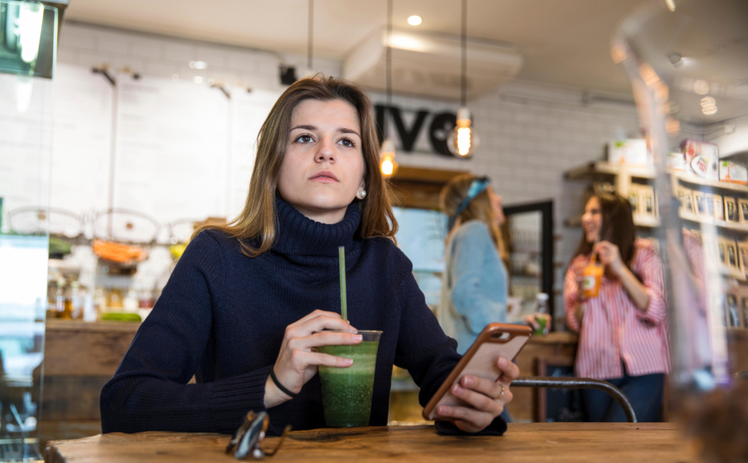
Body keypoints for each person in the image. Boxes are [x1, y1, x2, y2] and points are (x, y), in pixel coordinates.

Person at [100, 75, 519, 436]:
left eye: (345, 141)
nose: (326, 152)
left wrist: (475, 405)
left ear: (363, 177)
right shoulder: (216, 257)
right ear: (272, 164)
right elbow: (124, 403)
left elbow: (441, 373)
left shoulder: (384, 265)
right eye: (304, 137)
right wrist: (272, 383)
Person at [563, 191, 669, 422]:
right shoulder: (580, 265)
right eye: (585, 212)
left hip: (644, 370)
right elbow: (574, 321)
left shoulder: (643, 254)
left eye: (594, 212)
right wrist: (583, 293)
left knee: (624, 437)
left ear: (614, 217)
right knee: (603, 444)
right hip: (596, 370)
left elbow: (657, 309)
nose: (585, 218)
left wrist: (620, 268)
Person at [438, 174, 548, 355]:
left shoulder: (464, 233)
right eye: (492, 193)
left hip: (470, 348)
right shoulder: (475, 230)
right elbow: (464, 293)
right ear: (480, 201)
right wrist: (496, 336)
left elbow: (481, 305)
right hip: (476, 352)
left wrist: (520, 322)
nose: (499, 198)